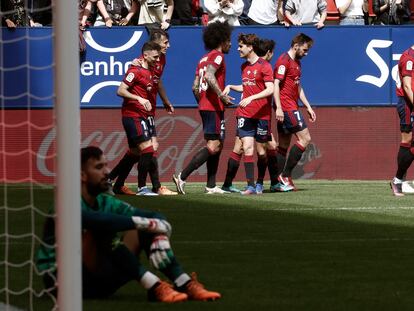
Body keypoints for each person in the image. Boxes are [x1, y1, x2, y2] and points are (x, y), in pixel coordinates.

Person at [36, 146, 221, 302]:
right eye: (99, 167)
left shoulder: (104, 201)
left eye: (106, 166)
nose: (107, 172)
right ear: (82, 175)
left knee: (143, 227)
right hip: (63, 284)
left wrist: (158, 233)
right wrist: (146, 223)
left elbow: (153, 215)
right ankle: (154, 285)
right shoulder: (66, 202)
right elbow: (92, 220)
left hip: (98, 282)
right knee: (103, 229)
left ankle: (183, 282)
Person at [109, 30, 177, 196]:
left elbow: (157, 81)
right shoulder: (138, 66)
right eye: (165, 42)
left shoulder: (159, 61)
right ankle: (149, 187)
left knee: (136, 151)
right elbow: (123, 88)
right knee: (149, 147)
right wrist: (139, 99)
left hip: (149, 111)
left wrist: (165, 101)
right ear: (154, 45)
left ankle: (113, 182)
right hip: (136, 113)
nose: (168, 46)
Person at [172, 21, 234, 195]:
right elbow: (209, 75)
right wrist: (221, 95)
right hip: (213, 106)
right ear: (222, 40)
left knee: (217, 145)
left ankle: (211, 185)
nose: (231, 43)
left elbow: (194, 86)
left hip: (207, 106)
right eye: (229, 40)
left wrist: (202, 102)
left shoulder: (202, 59)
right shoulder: (218, 56)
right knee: (213, 146)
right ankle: (182, 177)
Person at [220, 33, 274, 195]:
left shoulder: (265, 66)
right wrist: (230, 86)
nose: (238, 49)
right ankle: (250, 185)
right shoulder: (244, 67)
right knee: (247, 147)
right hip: (245, 114)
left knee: (262, 152)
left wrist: (251, 98)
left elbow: (270, 89)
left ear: (250, 47)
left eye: (241, 46)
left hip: (262, 115)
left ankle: (259, 182)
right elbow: (247, 86)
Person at [273, 33, 316, 192]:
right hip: (286, 107)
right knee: (305, 139)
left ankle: (276, 182)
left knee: (283, 145)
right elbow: (276, 84)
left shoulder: (297, 63)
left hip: (290, 106)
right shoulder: (284, 61)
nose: (306, 53)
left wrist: (308, 107)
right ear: (296, 45)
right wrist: (278, 107)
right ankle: (285, 175)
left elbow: (298, 86)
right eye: (304, 50)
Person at [252, 38, 280, 194]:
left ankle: (274, 182)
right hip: (259, 115)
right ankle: (258, 183)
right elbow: (271, 88)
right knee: (260, 150)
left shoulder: (252, 65)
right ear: (269, 53)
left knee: (271, 146)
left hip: (258, 114)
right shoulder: (265, 66)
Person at [390, 44, 414, 196]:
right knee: (407, 141)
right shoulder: (408, 57)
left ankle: (399, 180)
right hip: (407, 104)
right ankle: (398, 181)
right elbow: (407, 86)